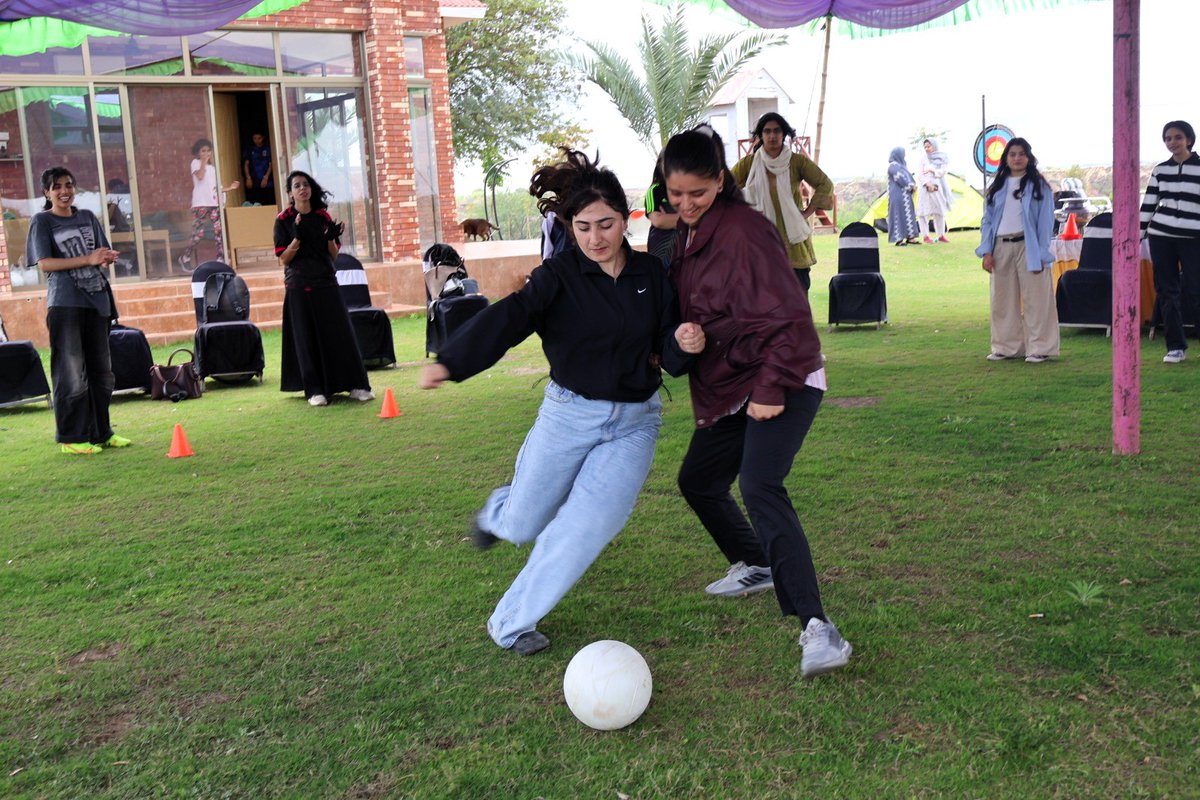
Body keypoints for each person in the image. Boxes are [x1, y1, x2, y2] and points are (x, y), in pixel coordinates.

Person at [418, 150, 701, 656]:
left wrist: (685, 342)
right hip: (569, 416)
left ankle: (511, 621)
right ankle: (497, 513)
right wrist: (450, 361)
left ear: (626, 219)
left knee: (589, 524)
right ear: (570, 226)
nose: (596, 237)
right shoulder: (559, 276)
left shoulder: (651, 276)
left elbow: (670, 352)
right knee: (524, 524)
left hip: (635, 423)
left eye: (607, 225)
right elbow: (509, 319)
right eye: (584, 226)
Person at [660, 125, 852, 680]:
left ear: (721, 181)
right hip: (736, 384)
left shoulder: (745, 231)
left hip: (784, 375)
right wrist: (684, 338)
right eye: (677, 194)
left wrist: (770, 389)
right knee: (698, 479)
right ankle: (757, 563)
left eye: (698, 192)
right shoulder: (687, 237)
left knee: (760, 484)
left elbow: (791, 317)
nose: (687, 203)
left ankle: (819, 629)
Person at [26, 167, 129, 455]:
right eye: (56, 186)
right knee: (71, 373)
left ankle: (101, 433)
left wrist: (105, 257)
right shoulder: (42, 221)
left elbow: (100, 252)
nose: (64, 191)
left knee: (102, 372)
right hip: (65, 304)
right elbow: (45, 263)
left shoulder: (86, 217)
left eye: (69, 185)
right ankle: (72, 438)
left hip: (97, 302)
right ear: (47, 193)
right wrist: (87, 258)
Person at [274, 170, 374, 406]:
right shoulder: (283, 219)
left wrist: (330, 237)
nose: (302, 189)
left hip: (326, 282)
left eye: (305, 184)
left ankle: (356, 385)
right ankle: (314, 390)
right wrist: (297, 238)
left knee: (340, 334)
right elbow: (283, 259)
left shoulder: (322, 216)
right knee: (305, 337)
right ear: (290, 193)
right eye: (297, 186)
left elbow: (334, 255)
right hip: (299, 286)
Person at [976, 137, 1058, 363]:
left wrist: (1042, 253)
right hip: (1001, 246)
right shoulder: (997, 187)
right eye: (1012, 154)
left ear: (1029, 157)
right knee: (1002, 300)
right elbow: (988, 221)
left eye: (1021, 154)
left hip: (1028, 247)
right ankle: (1005, 347)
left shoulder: (1039, 186)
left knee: (1037, 299)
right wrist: (987, 251)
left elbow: (1045, 222)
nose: (1017, 158)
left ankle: (1039, 348)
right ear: (1006, 158)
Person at [730, 112, 834, 292]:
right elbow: (725, 188)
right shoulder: (748, 164)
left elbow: (825, 184)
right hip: (761, 240)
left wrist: (807, 212)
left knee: (798, 293)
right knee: (765, 299)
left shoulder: (796, 162)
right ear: (760, 135)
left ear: (784, 134)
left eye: (777, 131)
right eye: (767, 131)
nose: (772, 136)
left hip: (792, 241)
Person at [1140, 119, 1200, 364]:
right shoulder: (1160, 170)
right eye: (1168, 138)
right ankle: (1176, 347)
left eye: (1177, 137)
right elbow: (1149, 204)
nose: (1172, 142)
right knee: (1167, 292)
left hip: (1194, 237)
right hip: (1161, 237)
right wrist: (1137, 236)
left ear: (1188, 139)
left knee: (1196, 291)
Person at [181, 138, 239, 271]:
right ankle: (185, 257)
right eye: (203, 151)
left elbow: (216, 188)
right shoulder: (195, 163)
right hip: (200, 203)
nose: (206, 153)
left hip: (213, 203)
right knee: (198, 233)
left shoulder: (212, 168)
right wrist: (203, 163)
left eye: (208, 151)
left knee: (218, 231)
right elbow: (200, 176)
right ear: (198, 153)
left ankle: (220, 258)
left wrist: (230, 188)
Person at [917, 138, 952, 243]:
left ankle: (941, 235)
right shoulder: (923, 159)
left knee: (939, 211)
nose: (927, 149)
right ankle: (925, 236)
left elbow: (943, 170)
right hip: (925, 188)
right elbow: (920, 173)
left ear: (934, 146)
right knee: (923, 213)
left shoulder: (942, 157)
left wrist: (933, 170)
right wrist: (927, 183)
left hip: (937, 187)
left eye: (929, 146)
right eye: (925, 147)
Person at [644, 162, 679, 266]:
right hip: (660, 246)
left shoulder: (684, 189)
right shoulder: (654, 190)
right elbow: (658, 221)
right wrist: (691, 220)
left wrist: (669, 218)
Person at [886, 146, 921, 246]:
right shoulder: (893, 166)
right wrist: (911, 186)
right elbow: (899, 178)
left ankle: (911, 237)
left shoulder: (902, 165)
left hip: (906, 195)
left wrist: (913, 186)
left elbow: (908, 176)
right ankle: (898, 239)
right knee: (897, 215)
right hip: (897, 195)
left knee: (909, 215)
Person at [242, 131, 275, 206]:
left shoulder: (267, 149)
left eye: (259, 138)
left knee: (268, 201)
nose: (257, 140)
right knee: (256, 202)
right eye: (255, 138)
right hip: (254, 179)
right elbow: (246, 164)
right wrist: (248, 178)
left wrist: (266, 177)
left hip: (267, 180)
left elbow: (271, 164)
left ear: (263, 138)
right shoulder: (250, 149)